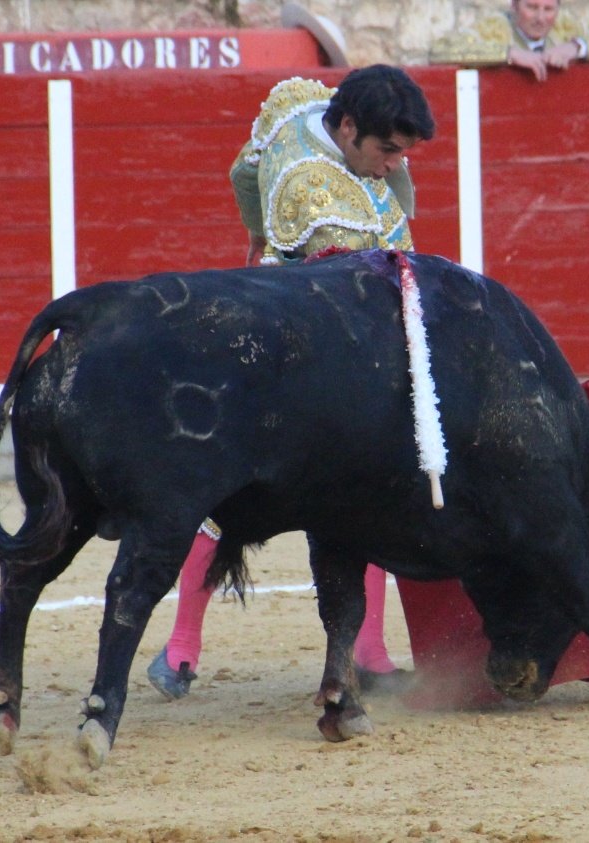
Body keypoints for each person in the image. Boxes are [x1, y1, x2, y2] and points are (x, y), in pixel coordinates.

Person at [147, 65, 436, 700]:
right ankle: (363, 651)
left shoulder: (298, 105)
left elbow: (242, 171)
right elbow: (368, 291)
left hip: (272, 323)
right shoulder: (318, 197)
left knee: (230, 492)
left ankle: (181, 649)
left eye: (404, 152)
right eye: (388, 152)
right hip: (307, 348)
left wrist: (253, 232)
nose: (394, 166)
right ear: (352, 128)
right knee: (354, 488)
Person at [429, 0, 588, 81]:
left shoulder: (566, 28)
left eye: (548, 9)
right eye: (532, 7)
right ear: (514, 6)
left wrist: (577, 47)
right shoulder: (493, 28)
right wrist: (509, 54)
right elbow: (439, 50)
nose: (541, 18)